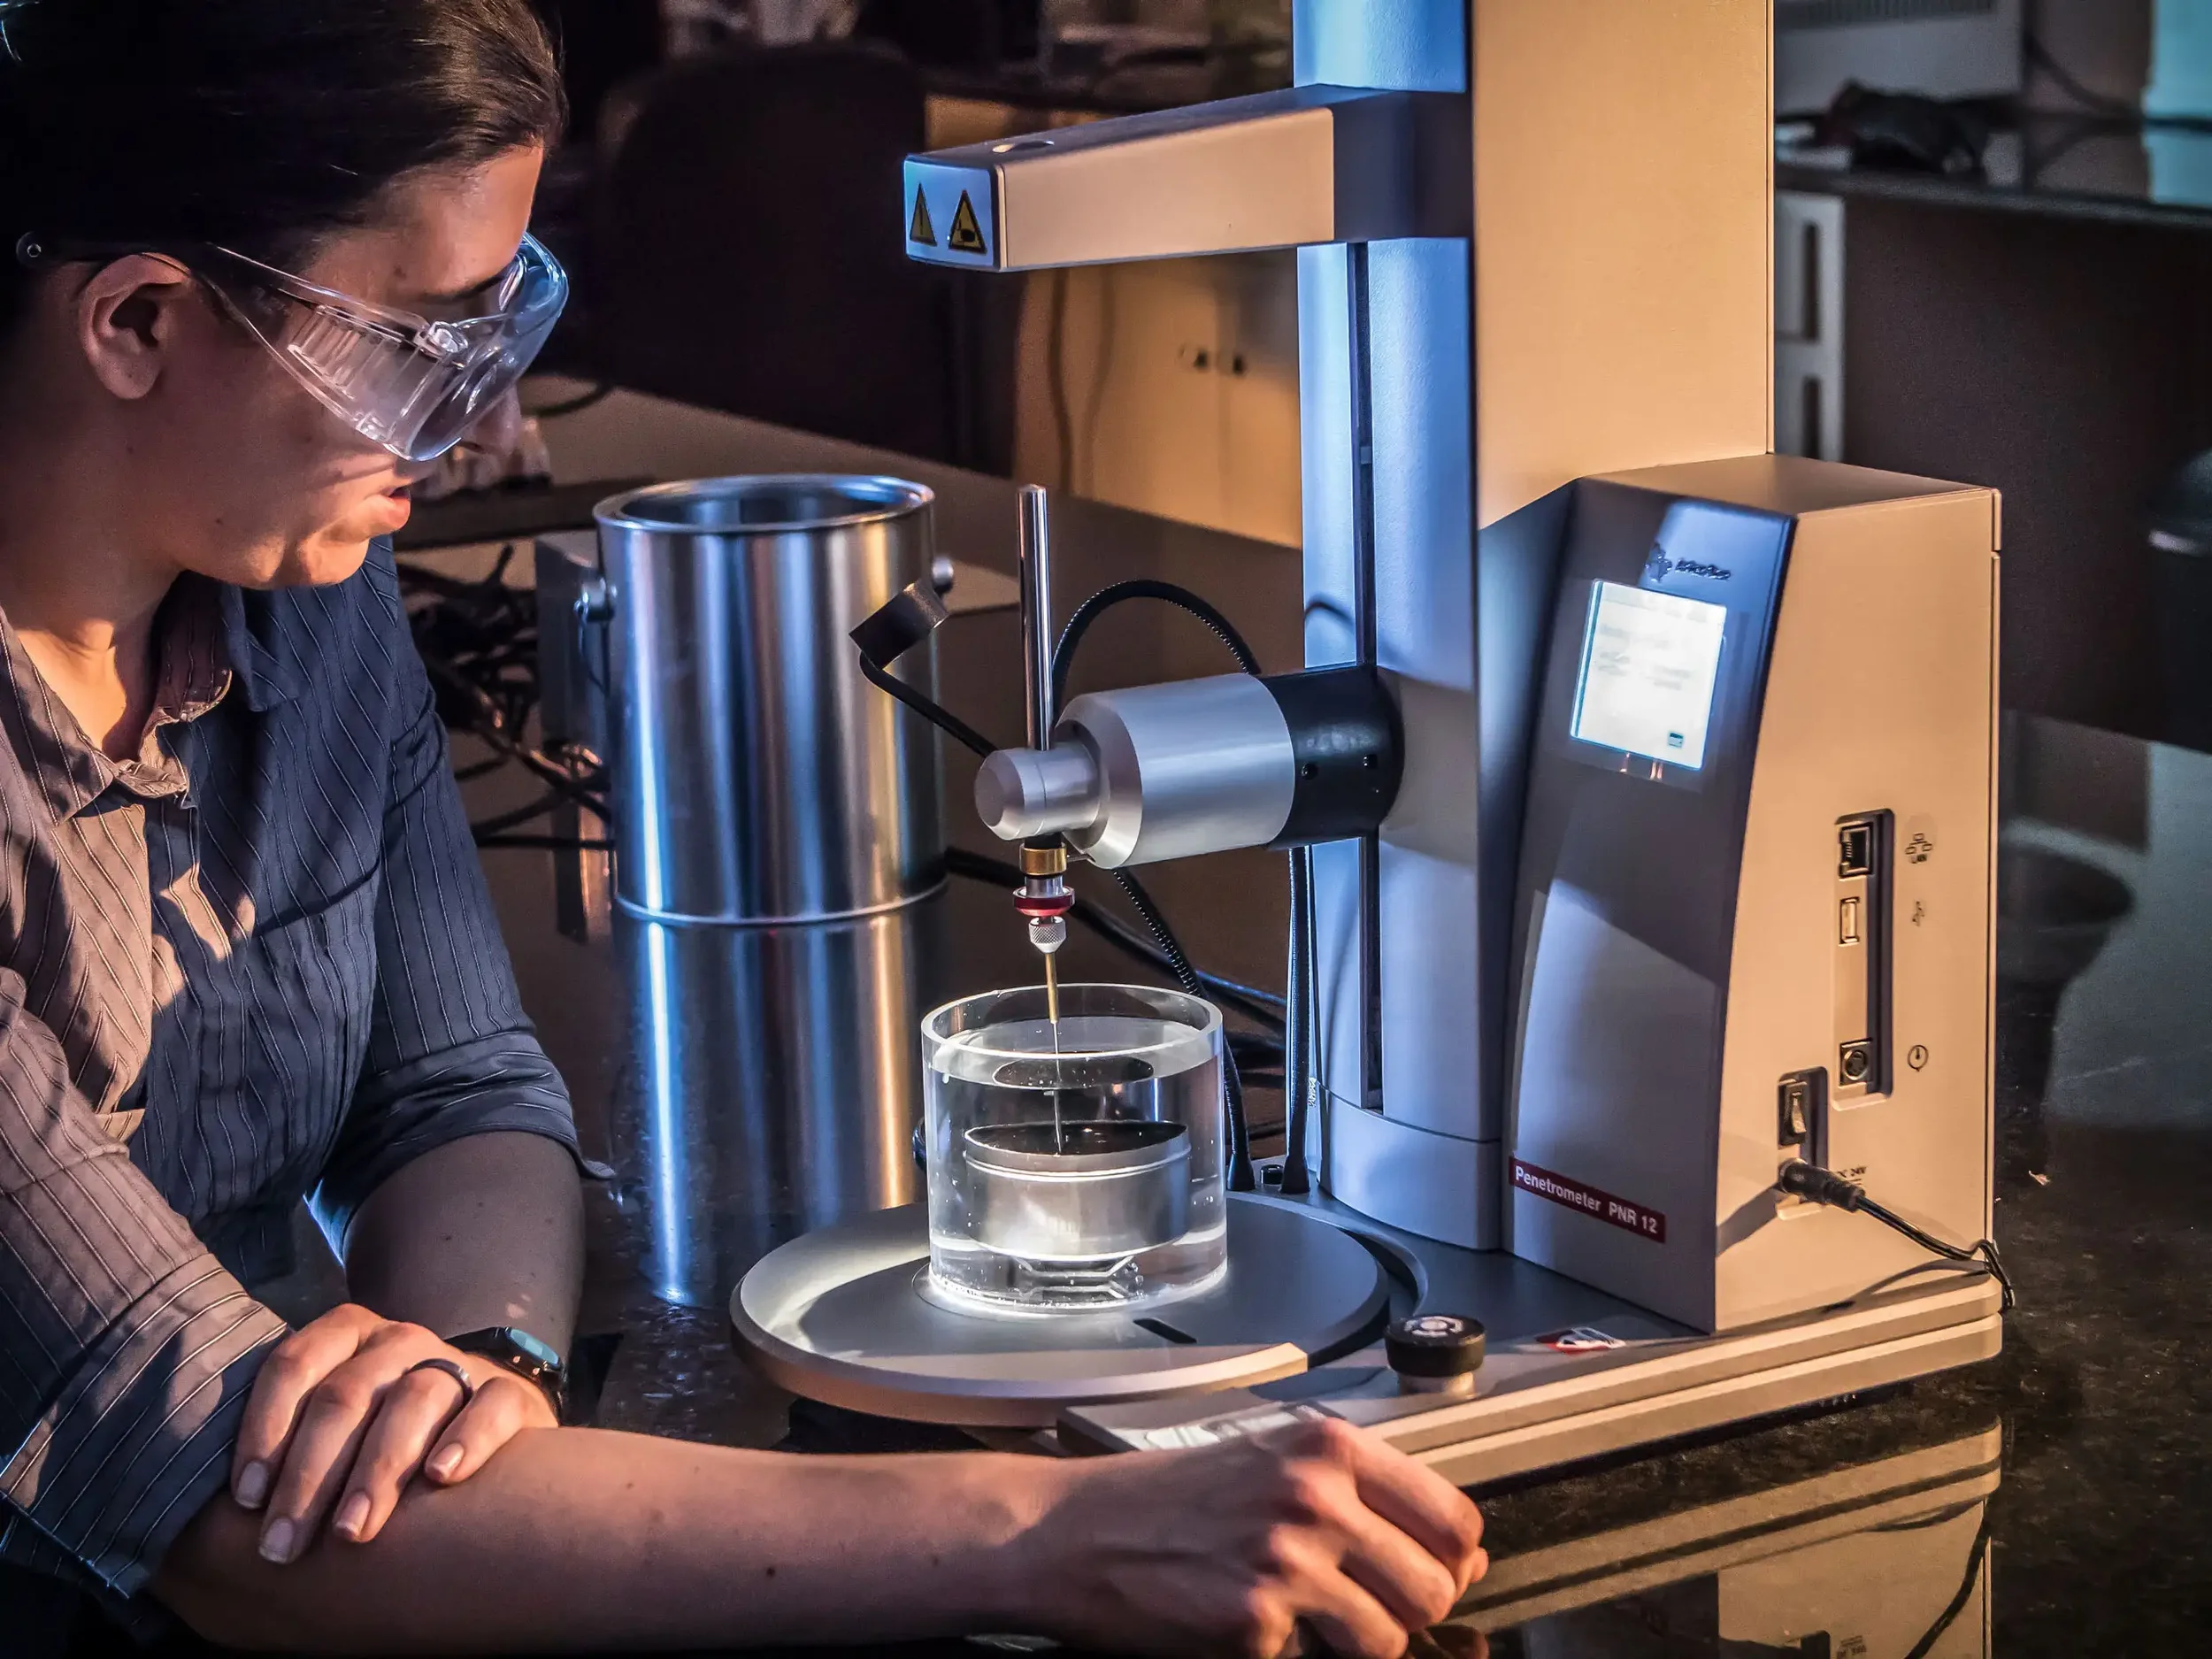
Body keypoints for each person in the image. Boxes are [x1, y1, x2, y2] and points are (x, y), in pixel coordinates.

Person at [0, 2, 1488, 1654]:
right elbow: (214, 1500)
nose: (490, 427)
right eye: (422, 347)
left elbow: (449, 1090)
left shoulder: (305, 600)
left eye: (504, 328)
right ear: (138, 320)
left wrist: (472, 1383)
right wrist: (1061, 1527)